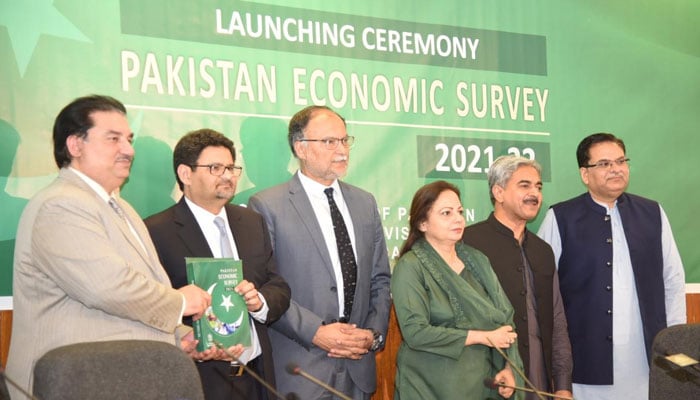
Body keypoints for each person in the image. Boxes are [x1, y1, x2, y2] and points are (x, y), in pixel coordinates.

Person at [5, 95, 211, 398]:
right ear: (75, 146)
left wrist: (178, 336)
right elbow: (106, 287)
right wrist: (180, 303)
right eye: (113, 139)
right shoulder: (60, 205)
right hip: (73, 384)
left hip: (122, 378)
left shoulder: (121, 207)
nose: (128, 150)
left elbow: (140, 292)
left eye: (128, 139)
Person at [248, 105, 392, 399]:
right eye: (329, 142)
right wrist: (315, 331)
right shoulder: (267, 206)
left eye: (344, 140)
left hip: (357, 370)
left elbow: (380, 280)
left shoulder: (364, 203)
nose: (342, 150)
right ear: (300, 148)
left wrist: (372, 335)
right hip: (301, 369)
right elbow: (266, 286)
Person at [537, 133, 686, 400]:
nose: (616, 169)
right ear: (585, 174)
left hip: (646, 359)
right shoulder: (560, 218)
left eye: (620, 161)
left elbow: (673, 279)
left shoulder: (653, 213)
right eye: (604, 164)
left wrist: (673, 342)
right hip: (585, 360)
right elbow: (544, 290)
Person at [145, 129, 291, 400]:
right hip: (202, 379)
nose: (228, 176)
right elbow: (150, 304)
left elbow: (277, 284)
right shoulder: (157, 231)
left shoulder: (250, 221)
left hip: (257, 375)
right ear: (185, 174)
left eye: (231, 167)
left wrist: (258, 301)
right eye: (215, 168)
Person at [391, 180, 522, 400]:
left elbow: (505, 319)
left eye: (460, 211)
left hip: (481, 385)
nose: (458, 219)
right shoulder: (410, 266)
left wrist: (510, 367)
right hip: (428, 386)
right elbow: (415, 333)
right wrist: (482, 337)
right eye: (446, 213)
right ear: (422, 223)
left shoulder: (477, 260)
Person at [463, 156, 573, 400]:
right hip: (487, 383)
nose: (534, 193)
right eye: (525, 185)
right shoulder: (468, 244)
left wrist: (563, 385)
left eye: (538, 186)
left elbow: (557, 321)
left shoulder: (543, 250)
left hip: (539, 383)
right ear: (498, 192)